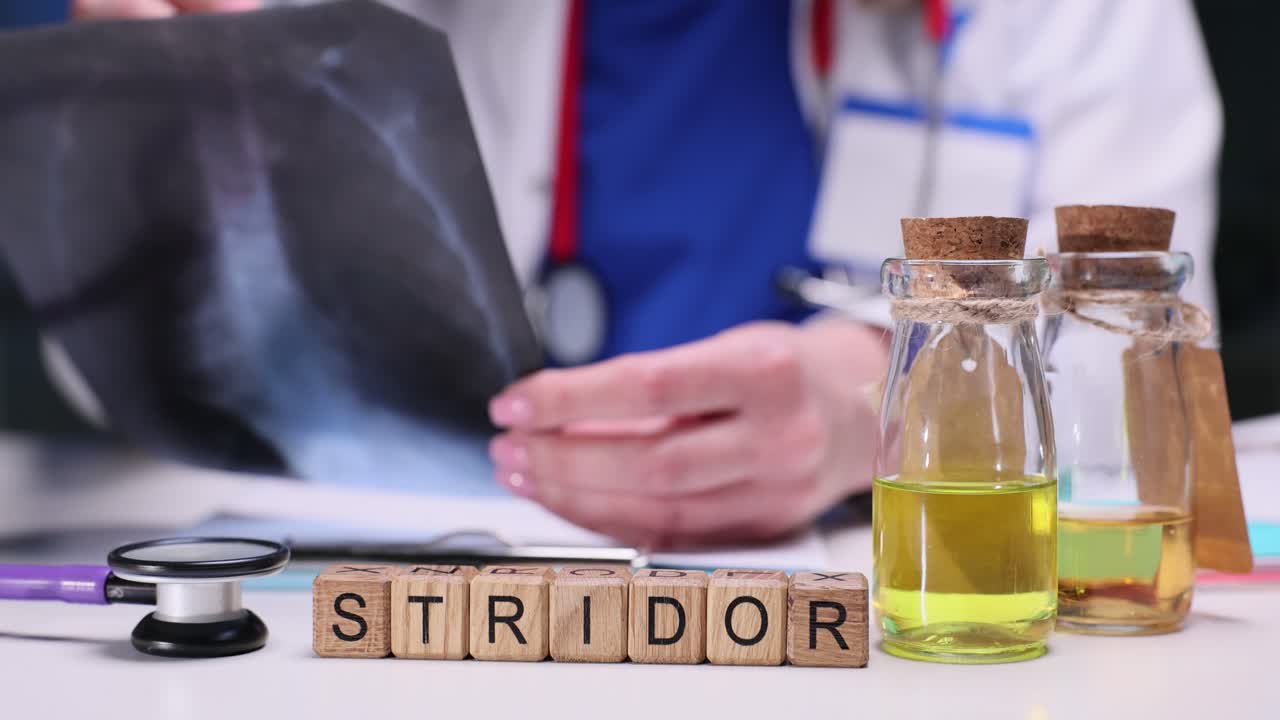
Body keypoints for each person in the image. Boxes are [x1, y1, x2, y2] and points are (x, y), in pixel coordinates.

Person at [71, 0, 1222, 549]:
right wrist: (164, 127)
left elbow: (1146, 361)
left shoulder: (1067, 18)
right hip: (450, 590)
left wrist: (878, 400)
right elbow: (130, 378)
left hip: (873, 616)